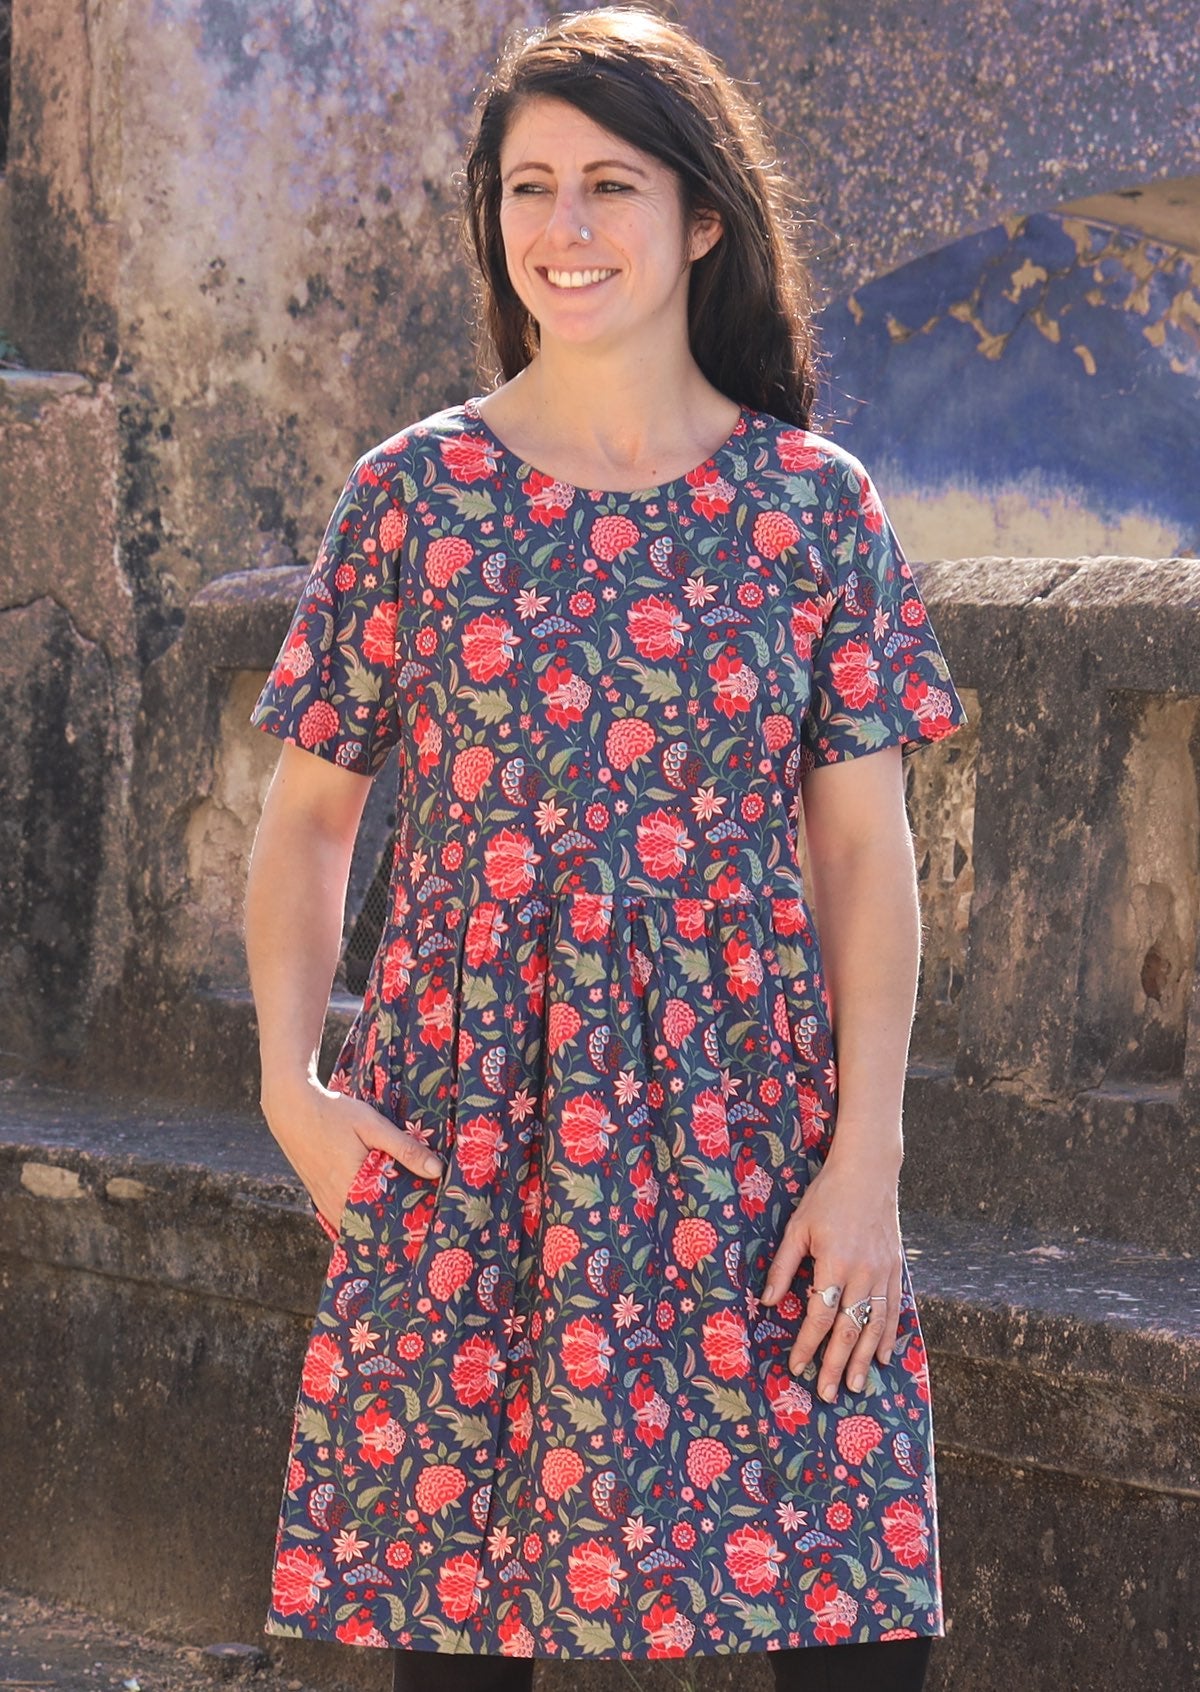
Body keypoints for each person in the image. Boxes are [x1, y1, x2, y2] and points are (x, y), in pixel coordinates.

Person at [243, 9, 969, 1692]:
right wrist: (290, 1079)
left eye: (610, 186)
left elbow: (867, 862)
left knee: (854, 1614)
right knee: (462, 1632)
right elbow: (306, 827)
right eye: (529, 189)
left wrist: (868, 1164)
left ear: (703, 217)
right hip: (470, 1124)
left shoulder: (814, 510)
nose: (565, 230)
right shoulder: (412, 498)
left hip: (759, 1133)